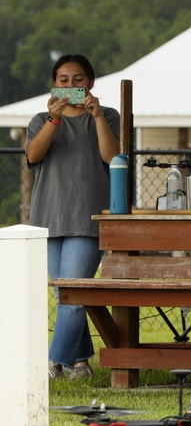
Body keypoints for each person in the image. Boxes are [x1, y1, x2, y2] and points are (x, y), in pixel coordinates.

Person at [24, 54, 121, 380]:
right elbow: (33, 155)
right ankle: (80, 364)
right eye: (63, 80)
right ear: (55, 84)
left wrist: (95, 117)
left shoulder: (108, 116)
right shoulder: (41, 119)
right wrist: (54, 121)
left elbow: (112, 157)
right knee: (64, 294)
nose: (70, 86)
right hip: (48, 216)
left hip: (89, 217)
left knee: (74, 296)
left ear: (90, 83)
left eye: (78, 79)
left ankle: (54, 364)